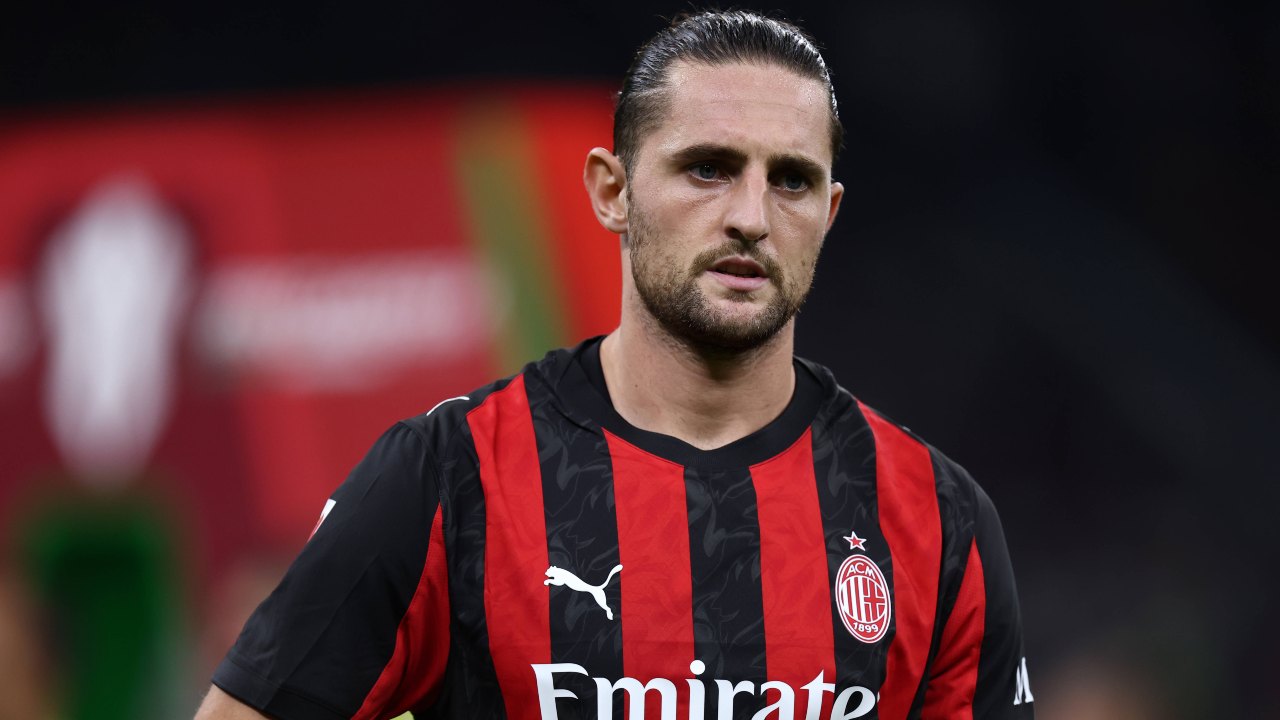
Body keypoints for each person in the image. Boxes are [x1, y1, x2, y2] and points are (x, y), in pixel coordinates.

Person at [195, 10, 1034, 720]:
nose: (751, 215)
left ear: (829, 213)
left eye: (790, 180)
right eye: (708, 168)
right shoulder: (447, 477)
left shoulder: (937, 517)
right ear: (612, 192)